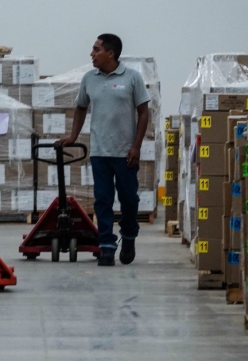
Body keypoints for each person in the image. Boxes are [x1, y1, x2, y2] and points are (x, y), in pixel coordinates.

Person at [58, 34, 150, 267]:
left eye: (96, 49)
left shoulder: (132, 78)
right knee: (103, 200)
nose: (92, 53)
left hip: (125, 153)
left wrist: (136, 146)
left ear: (110, 53)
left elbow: (143, 112)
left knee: (129, 200)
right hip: (100, 151)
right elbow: (80, 107)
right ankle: (107, 246)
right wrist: (73, 136)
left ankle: (128, 237)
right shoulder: (89, 78)